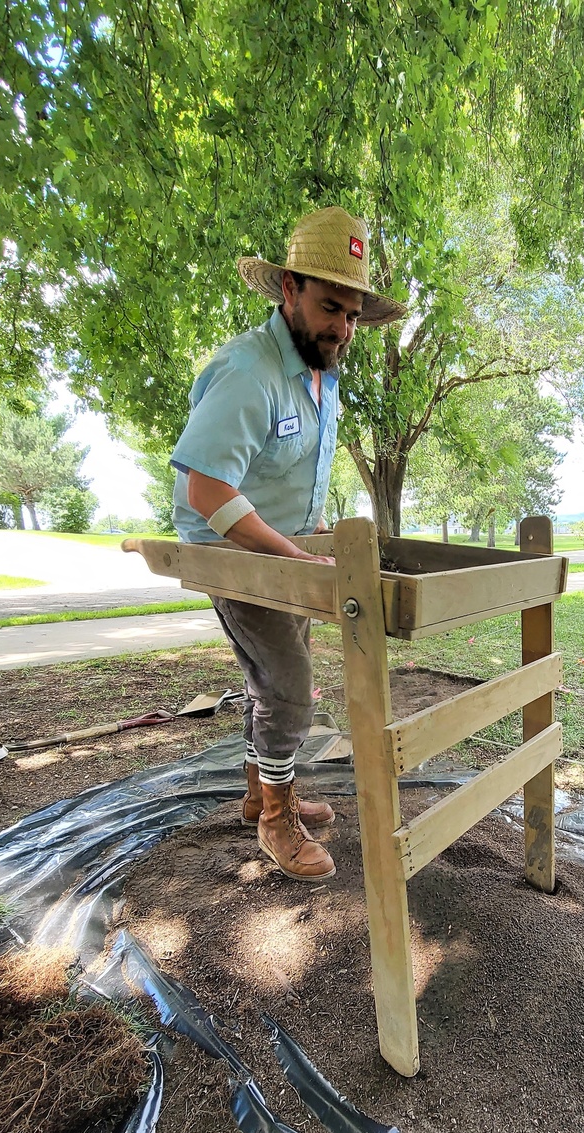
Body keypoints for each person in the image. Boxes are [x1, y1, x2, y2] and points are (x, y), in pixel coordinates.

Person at [170, 206, 406, 881]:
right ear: (289, 291)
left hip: (288, 551)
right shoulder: (248, 371)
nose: (344, 328)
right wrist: (297, 557)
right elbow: (207, 493)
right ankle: (277, 820)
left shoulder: (320, 374)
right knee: (290, 684)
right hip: (236, 552)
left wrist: (315, 537)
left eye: (354, 315)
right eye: (332, 307)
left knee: (272, 678)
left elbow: (286, 475)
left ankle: (262, 791)